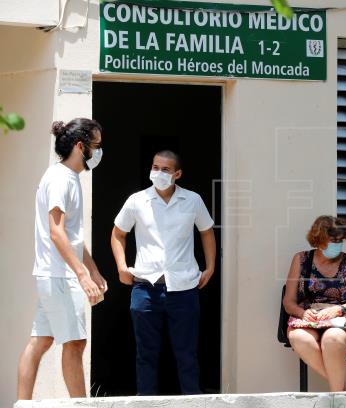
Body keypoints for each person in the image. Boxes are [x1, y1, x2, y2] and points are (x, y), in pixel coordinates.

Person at [111, 150, 216, 396]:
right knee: (145, 354)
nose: (158, 173)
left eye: (165, 169)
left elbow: (207, 231)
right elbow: (118, 233)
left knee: (187, 354)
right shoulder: (137, 200)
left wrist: (210, 267)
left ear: (177, 174)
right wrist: (121, 267)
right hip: (145, 288)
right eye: (155, 167)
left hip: (184, 288)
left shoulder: (192, 200)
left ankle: (193, 402)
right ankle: (145, 401)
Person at [17, 118, 108, 400]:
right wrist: (81, 274)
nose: (99, 151)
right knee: (75, 343)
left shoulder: (67, 178)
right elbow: (56, 233)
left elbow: (72, 236)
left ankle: (23, 404)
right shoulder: (60, 179)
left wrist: (92, 270)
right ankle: (81, 405)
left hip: (54, 274)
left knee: (41, 340)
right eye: (97, 145)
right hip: (58, 276)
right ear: (81, 146)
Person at [283, 215, 346, 392]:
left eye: (340, 241)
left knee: (332, 338)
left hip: (343, 321)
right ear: (319, 240)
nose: (337, 245)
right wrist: (302, 313)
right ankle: (343, 391)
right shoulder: (301, 260)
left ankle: (338, 396)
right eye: (333, 240)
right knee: (298, 337)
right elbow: (288, 302)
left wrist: (338, 310)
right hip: (309, 320)